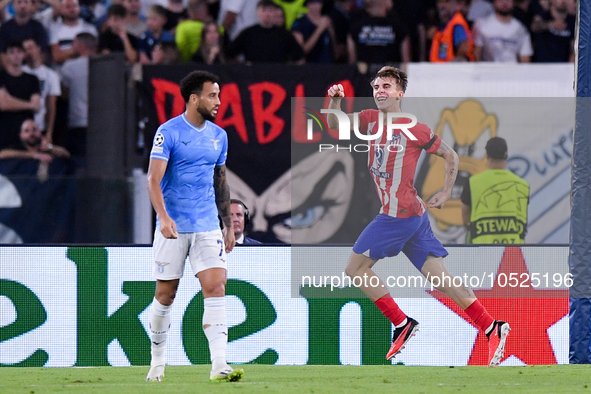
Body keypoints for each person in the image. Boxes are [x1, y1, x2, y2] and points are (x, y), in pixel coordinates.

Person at [326, 66, 510, 367]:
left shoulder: (415, 128)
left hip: (397, 216)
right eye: (376, 86)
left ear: (400, 93)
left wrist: (447, 192)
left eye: (386, 86)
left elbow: (452, 155)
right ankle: (493, 328)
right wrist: (335, 100)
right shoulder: (370, 120)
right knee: (442, 281)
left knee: (355, 269)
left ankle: (402, 324)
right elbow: (335, 126)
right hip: (414, 216)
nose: (379, 91)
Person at [145, 70, 243, 383]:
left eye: (219, 95)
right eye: (212, 95)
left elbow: (220, 181)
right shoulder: (168, 131)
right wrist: (163, 217)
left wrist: (227, 225)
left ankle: (219, 365)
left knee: (216, 288)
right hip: (173, 226)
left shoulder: (219, 135)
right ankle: (157, 363)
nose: (218, 101)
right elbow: (152, 179)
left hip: (207, 226)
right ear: (193, 98)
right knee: (166, 296)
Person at [461, 137, 529, 244]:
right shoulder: (522, 185)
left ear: (487, 157)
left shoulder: (473, 183)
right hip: (514, 251)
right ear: (506, 156)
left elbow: (465, 215)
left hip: (482, 250)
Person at [227, 0, 304, 64]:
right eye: (264, 10)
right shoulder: (248, 33)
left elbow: (299, 57)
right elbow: (230, 53)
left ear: (275, 13)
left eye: (271, 10)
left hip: (278, 76)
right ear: (258, 12)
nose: (267, 14)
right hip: (253, 76)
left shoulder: (284, 35)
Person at [59, 32, 96, 161]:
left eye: (73, 43)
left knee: (79, 162)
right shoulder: (105, 66)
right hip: (102, 123)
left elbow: (63, 94)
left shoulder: (70, 66)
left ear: (81, 46)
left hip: (78, 122)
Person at [0, 40, 40, 152]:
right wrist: (29, 104)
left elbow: (37, 107)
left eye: (19, 51)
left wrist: (11, 100)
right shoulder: (1, 77)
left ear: (24, 54)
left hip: (28, 134)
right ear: (6, 56)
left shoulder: (32, 79)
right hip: (5, 132)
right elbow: (3, 104)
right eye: (11, 52)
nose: (16, 55)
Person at [22, 37, 61, 144]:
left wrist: (49, 132)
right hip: (22, 126)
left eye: (31, 48)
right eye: (25, 49)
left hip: (40, 126)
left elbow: (51, 105)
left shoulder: (51, 75)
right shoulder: (20, 72)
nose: (29, 52)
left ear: (38, 48)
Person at [49, 0, 98, 65]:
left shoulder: (90, 29)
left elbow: (93, 53)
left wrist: (67, 52)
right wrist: (78, 51)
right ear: (61, 9)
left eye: (75, 6)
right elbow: (57, 57)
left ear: (79, 8)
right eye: (68, 7)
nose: (72, 10)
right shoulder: (54, 29)